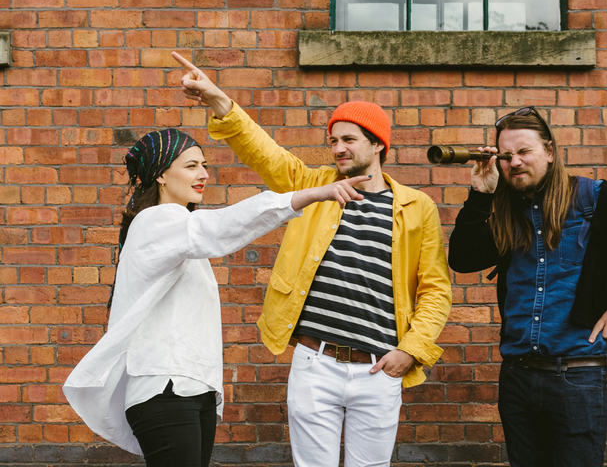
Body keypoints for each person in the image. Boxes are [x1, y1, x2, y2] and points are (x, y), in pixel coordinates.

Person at [172, 52, 452, 467]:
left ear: (378, 144)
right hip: (314, 363)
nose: (338, 148)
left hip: (378, 368)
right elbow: (262, 151)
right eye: (333, 140)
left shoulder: (416, 207)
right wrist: (217, 99)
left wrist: (411, 350)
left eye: (349, 139)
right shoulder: (313, 185)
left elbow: (435, 289)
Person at [63, 128, 369, 467]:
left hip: (193, 389)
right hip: (165, 388)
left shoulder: (182, 231)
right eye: (191, 166)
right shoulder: (158, 220)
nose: (204, 174)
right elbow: (221, 227)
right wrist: (305, 196)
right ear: (161, 175)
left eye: (204, 165)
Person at [448, 107, 607, 467]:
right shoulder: (508, 210)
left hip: (578, 377)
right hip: (517, 377)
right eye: (506, 156)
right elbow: (462, 260)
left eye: (524, 151)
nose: (514, 162)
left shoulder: (593, 198)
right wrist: (481, 195)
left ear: (550, 152)